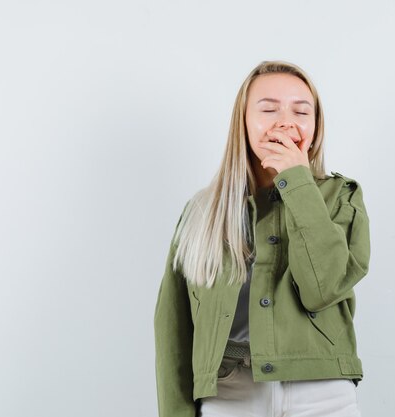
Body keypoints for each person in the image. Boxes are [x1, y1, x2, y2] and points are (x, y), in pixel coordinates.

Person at [153, 60, 371, 417]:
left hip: (322, 393)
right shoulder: (202, 211)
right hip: (228, 395)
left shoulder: (341, 197)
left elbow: (324, 287)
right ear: (242, 122)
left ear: (315, 129)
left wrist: (298, 182)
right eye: (269, 109)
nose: (286, 120)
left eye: (302, 111)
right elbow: (173, 329)